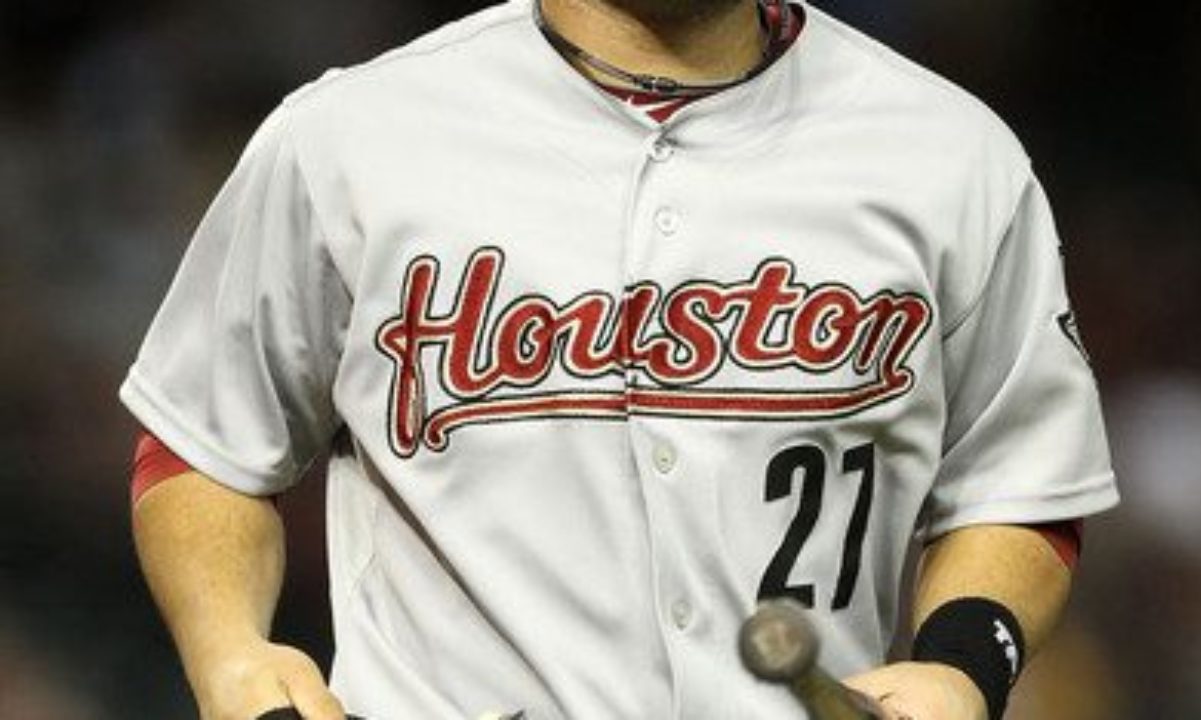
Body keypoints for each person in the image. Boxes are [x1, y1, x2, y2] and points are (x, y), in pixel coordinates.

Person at [121, 0, 1119, 718]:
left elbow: (1018, 481)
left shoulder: (946, 155)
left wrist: (962, 663)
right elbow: (202, 442)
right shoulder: (354, 137)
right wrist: (228, 653)